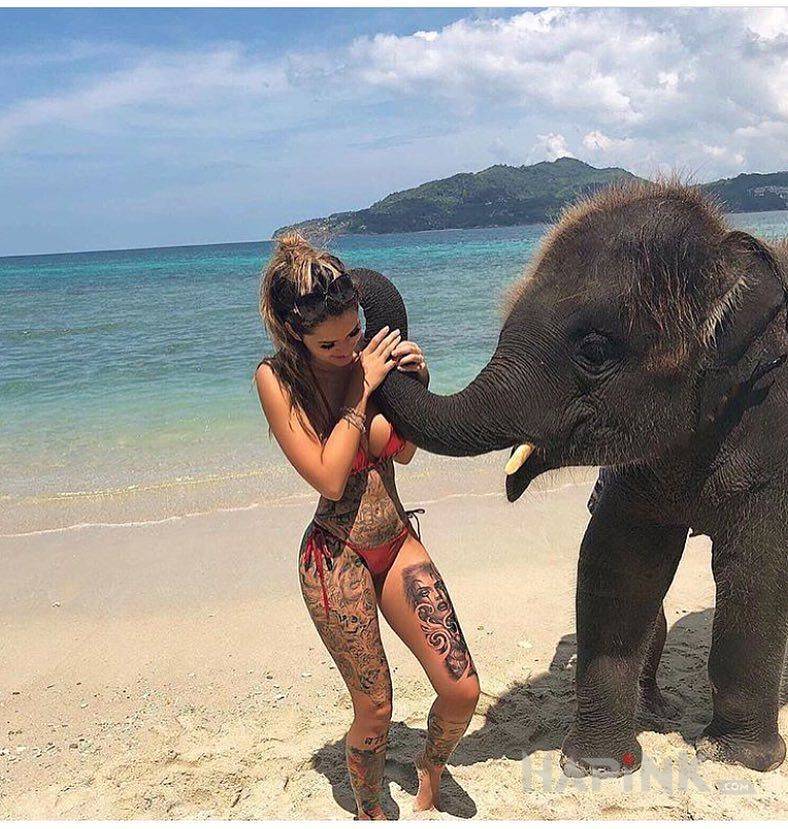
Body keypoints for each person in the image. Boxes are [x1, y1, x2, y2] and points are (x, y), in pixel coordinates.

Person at [254, 235, 480, 819]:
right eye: (327, 343)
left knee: (462, 689)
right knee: (375, 708)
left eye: (353, 332)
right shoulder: (278, 380)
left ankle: (430, 771)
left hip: (396, 539)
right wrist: (362, 391)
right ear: (294, 333)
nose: (345, 348)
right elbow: (330, 478)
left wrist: (413, 386)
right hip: (335, 557)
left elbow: (405, 453)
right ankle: (369, 808)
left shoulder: (368, 358)